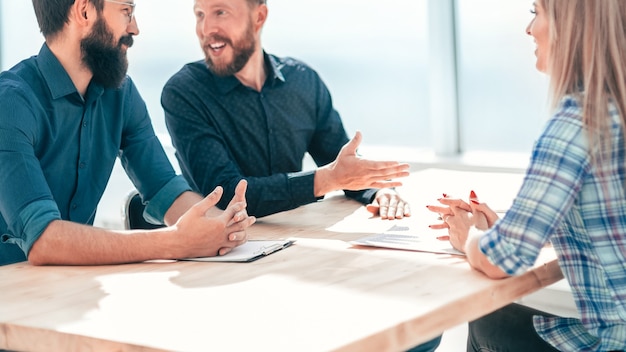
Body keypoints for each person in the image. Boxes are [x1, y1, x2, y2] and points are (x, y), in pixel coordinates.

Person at [427, 1, 626, 351]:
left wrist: (470, 237)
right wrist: (509, 229)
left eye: (536, 11)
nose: (529, 29)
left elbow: (500, 261)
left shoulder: (578, 124)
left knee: (491, 321)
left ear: (571, 24)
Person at [0, 0, 256, 266]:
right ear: (84, 11)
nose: (135, 28)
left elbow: (164, 188)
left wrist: (222, 225)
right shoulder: (10, 103)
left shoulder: (120, 93)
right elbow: (44, 241)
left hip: (72, 290)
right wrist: (175, 241)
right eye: (126, 11)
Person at [161, 0, 412, 220]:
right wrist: (327, 180)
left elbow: (341, 164)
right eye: (200, 14)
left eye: (220, 12)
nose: (206, 29)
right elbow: (224, 194)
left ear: (258, 17)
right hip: (224, 253)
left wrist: (379, 191)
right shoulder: (184, 93)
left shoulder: (304, 82)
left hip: (297, 240)